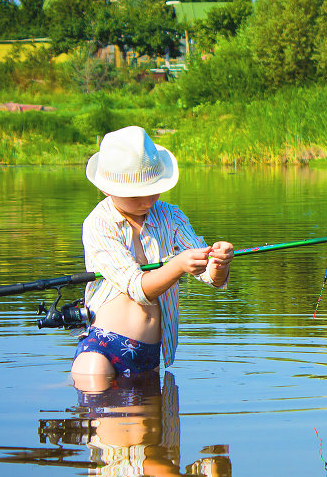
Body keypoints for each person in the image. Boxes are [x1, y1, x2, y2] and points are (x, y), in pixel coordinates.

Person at [72, 126, 233, 388]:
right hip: (103, 350)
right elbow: (137, 288)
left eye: (153, 189)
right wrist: (179, 264)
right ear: (107, 189)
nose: (147, 199)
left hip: (151, 355)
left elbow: (213, 279)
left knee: (157, 430)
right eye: (136, 193)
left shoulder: (171, 216)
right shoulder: (98, 224)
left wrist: (219, 262)